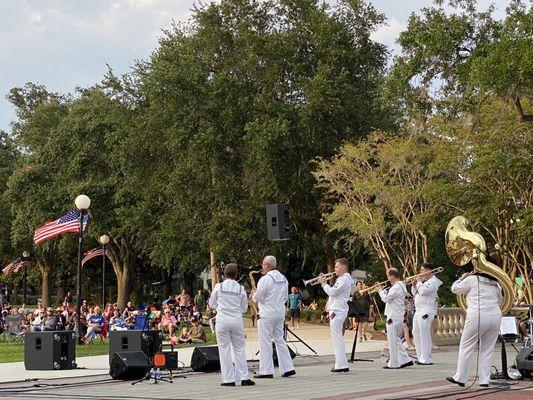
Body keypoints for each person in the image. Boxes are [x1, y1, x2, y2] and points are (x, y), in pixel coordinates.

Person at [446, 266, 503, 388]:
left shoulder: (472, 279)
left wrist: (462, 278)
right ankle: (484, 381)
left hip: (478, 315)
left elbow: (454, 289)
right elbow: (500, 301)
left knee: (466, 346)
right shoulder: (496, 283)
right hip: (495, 316)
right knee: (487, 349)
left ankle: (460, 378)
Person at [208, 263, 254, 386]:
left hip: (222, 319)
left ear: (224, 274)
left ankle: (228, 379)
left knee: (224, 349)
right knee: (239, 348)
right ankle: (244, 377)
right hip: (236, 320)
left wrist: (221, 307)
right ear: (237, 274)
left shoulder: (219, 287)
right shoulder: (241, 288)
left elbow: (212, 304)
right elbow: (244, 308)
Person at [252, 255, 295, 379]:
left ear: (267, 265)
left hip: (266, 313)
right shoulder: (283, 278)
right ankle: (288, 368)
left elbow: (257, 297)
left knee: (265, 342)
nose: (262, 266)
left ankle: (266, 370)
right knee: (280, 339)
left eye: (263, 264)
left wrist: (253, 295)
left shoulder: (266, 279)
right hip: (279, 312)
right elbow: (285, 297)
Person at [317, 258, 355, 373]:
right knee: (337, 338)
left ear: (344, 267)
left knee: (337, 339)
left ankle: (341, 364)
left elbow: (333, 292)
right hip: (338, 310)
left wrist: (323, 283)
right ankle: (341, 363)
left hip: (338, 311)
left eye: (337, 267)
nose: (335, 269)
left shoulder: (344, 279)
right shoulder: (343, 279)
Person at [378, 268, 413, 369]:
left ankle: (394, 363)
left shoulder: (396, 287)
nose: (387, 278)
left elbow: (386, 299)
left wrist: (380, 291)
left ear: (392, 276)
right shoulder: (400, 285)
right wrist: (384, 291)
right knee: (396, 339)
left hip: (393, 316)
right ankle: (406, 359)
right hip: (397, 315)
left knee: (392, 340)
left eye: (388, 276)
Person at [411, 262, 442, 365]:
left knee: (424, 333)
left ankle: (426, 359)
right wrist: (414, 285)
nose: (420, 273)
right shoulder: (423, 281)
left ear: (429, 271)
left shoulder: (434, 281)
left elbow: (424, 291)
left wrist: (419, 282)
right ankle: (420, 356)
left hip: (427, 310)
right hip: (418, 309)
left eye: (422, 270)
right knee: (416, 332)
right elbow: (415, 293)